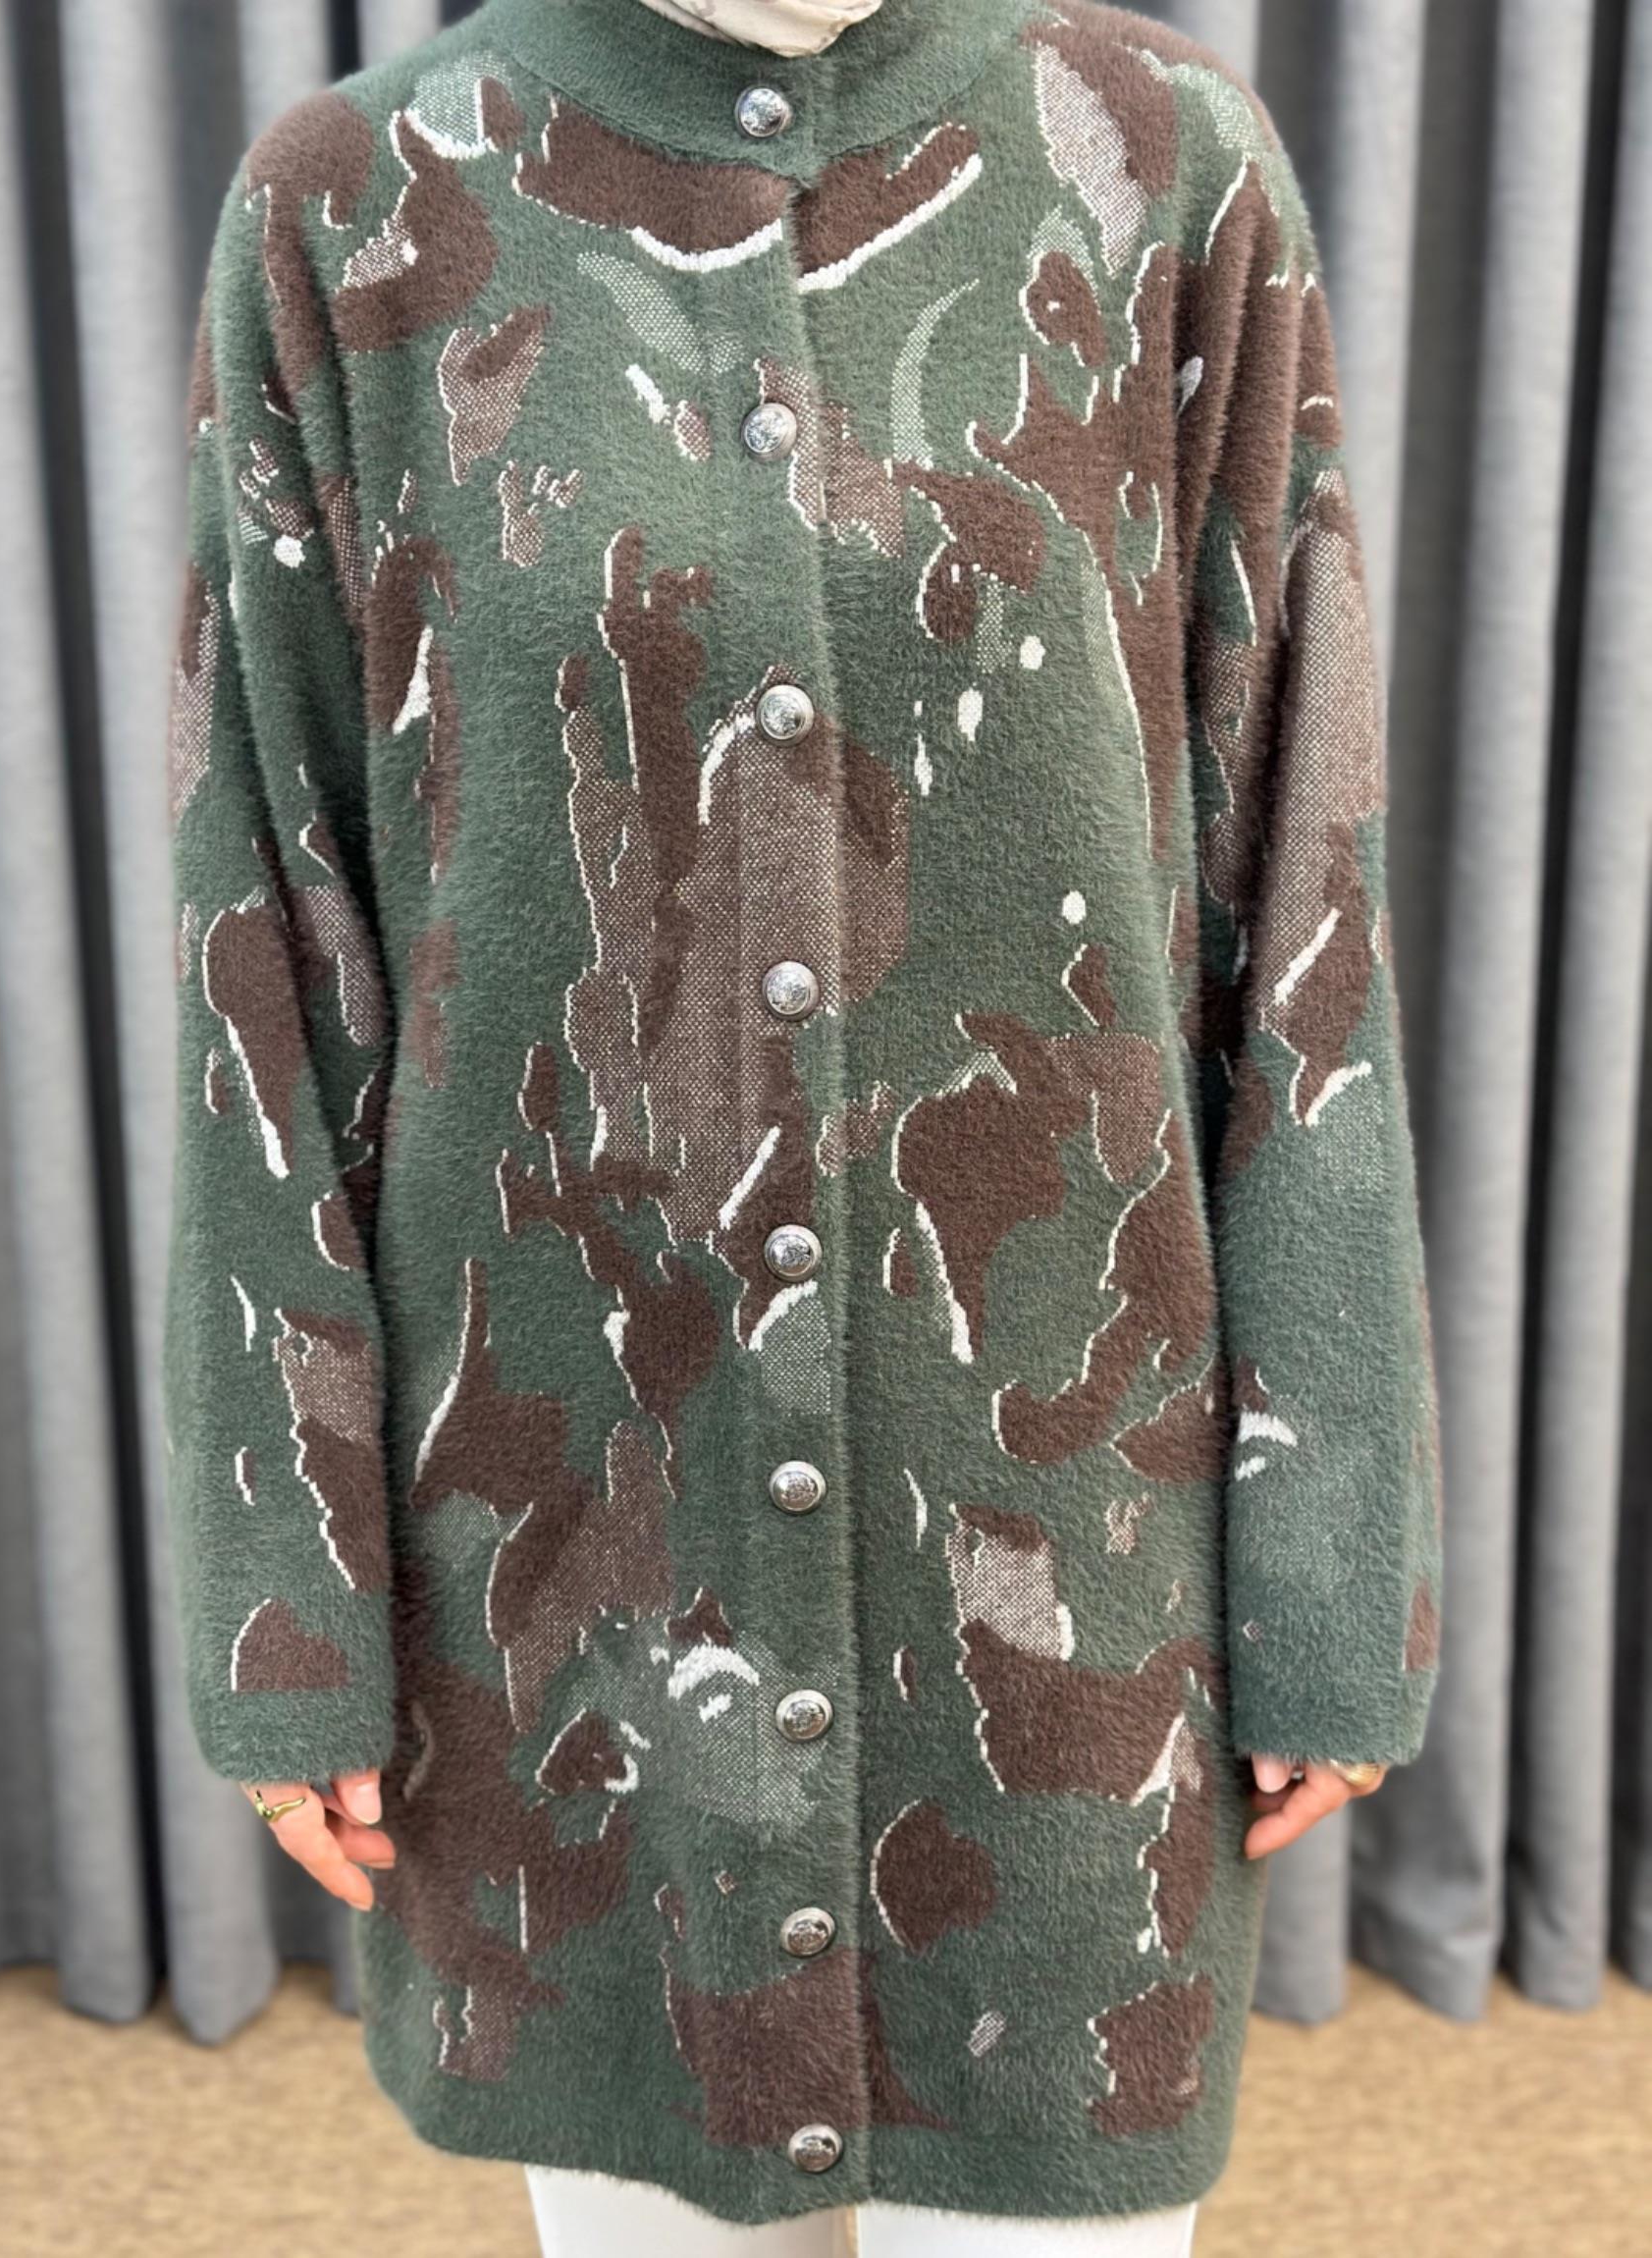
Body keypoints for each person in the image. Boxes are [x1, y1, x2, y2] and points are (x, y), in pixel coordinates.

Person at [161, 0, 1442, 2251]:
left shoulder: (1160, 167)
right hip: (573, 1561)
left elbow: (1296, 878)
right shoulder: (359, 210)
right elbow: (265, 930)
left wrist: (1336, 1548)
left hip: (1062, 1559)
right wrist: (290, 1599)